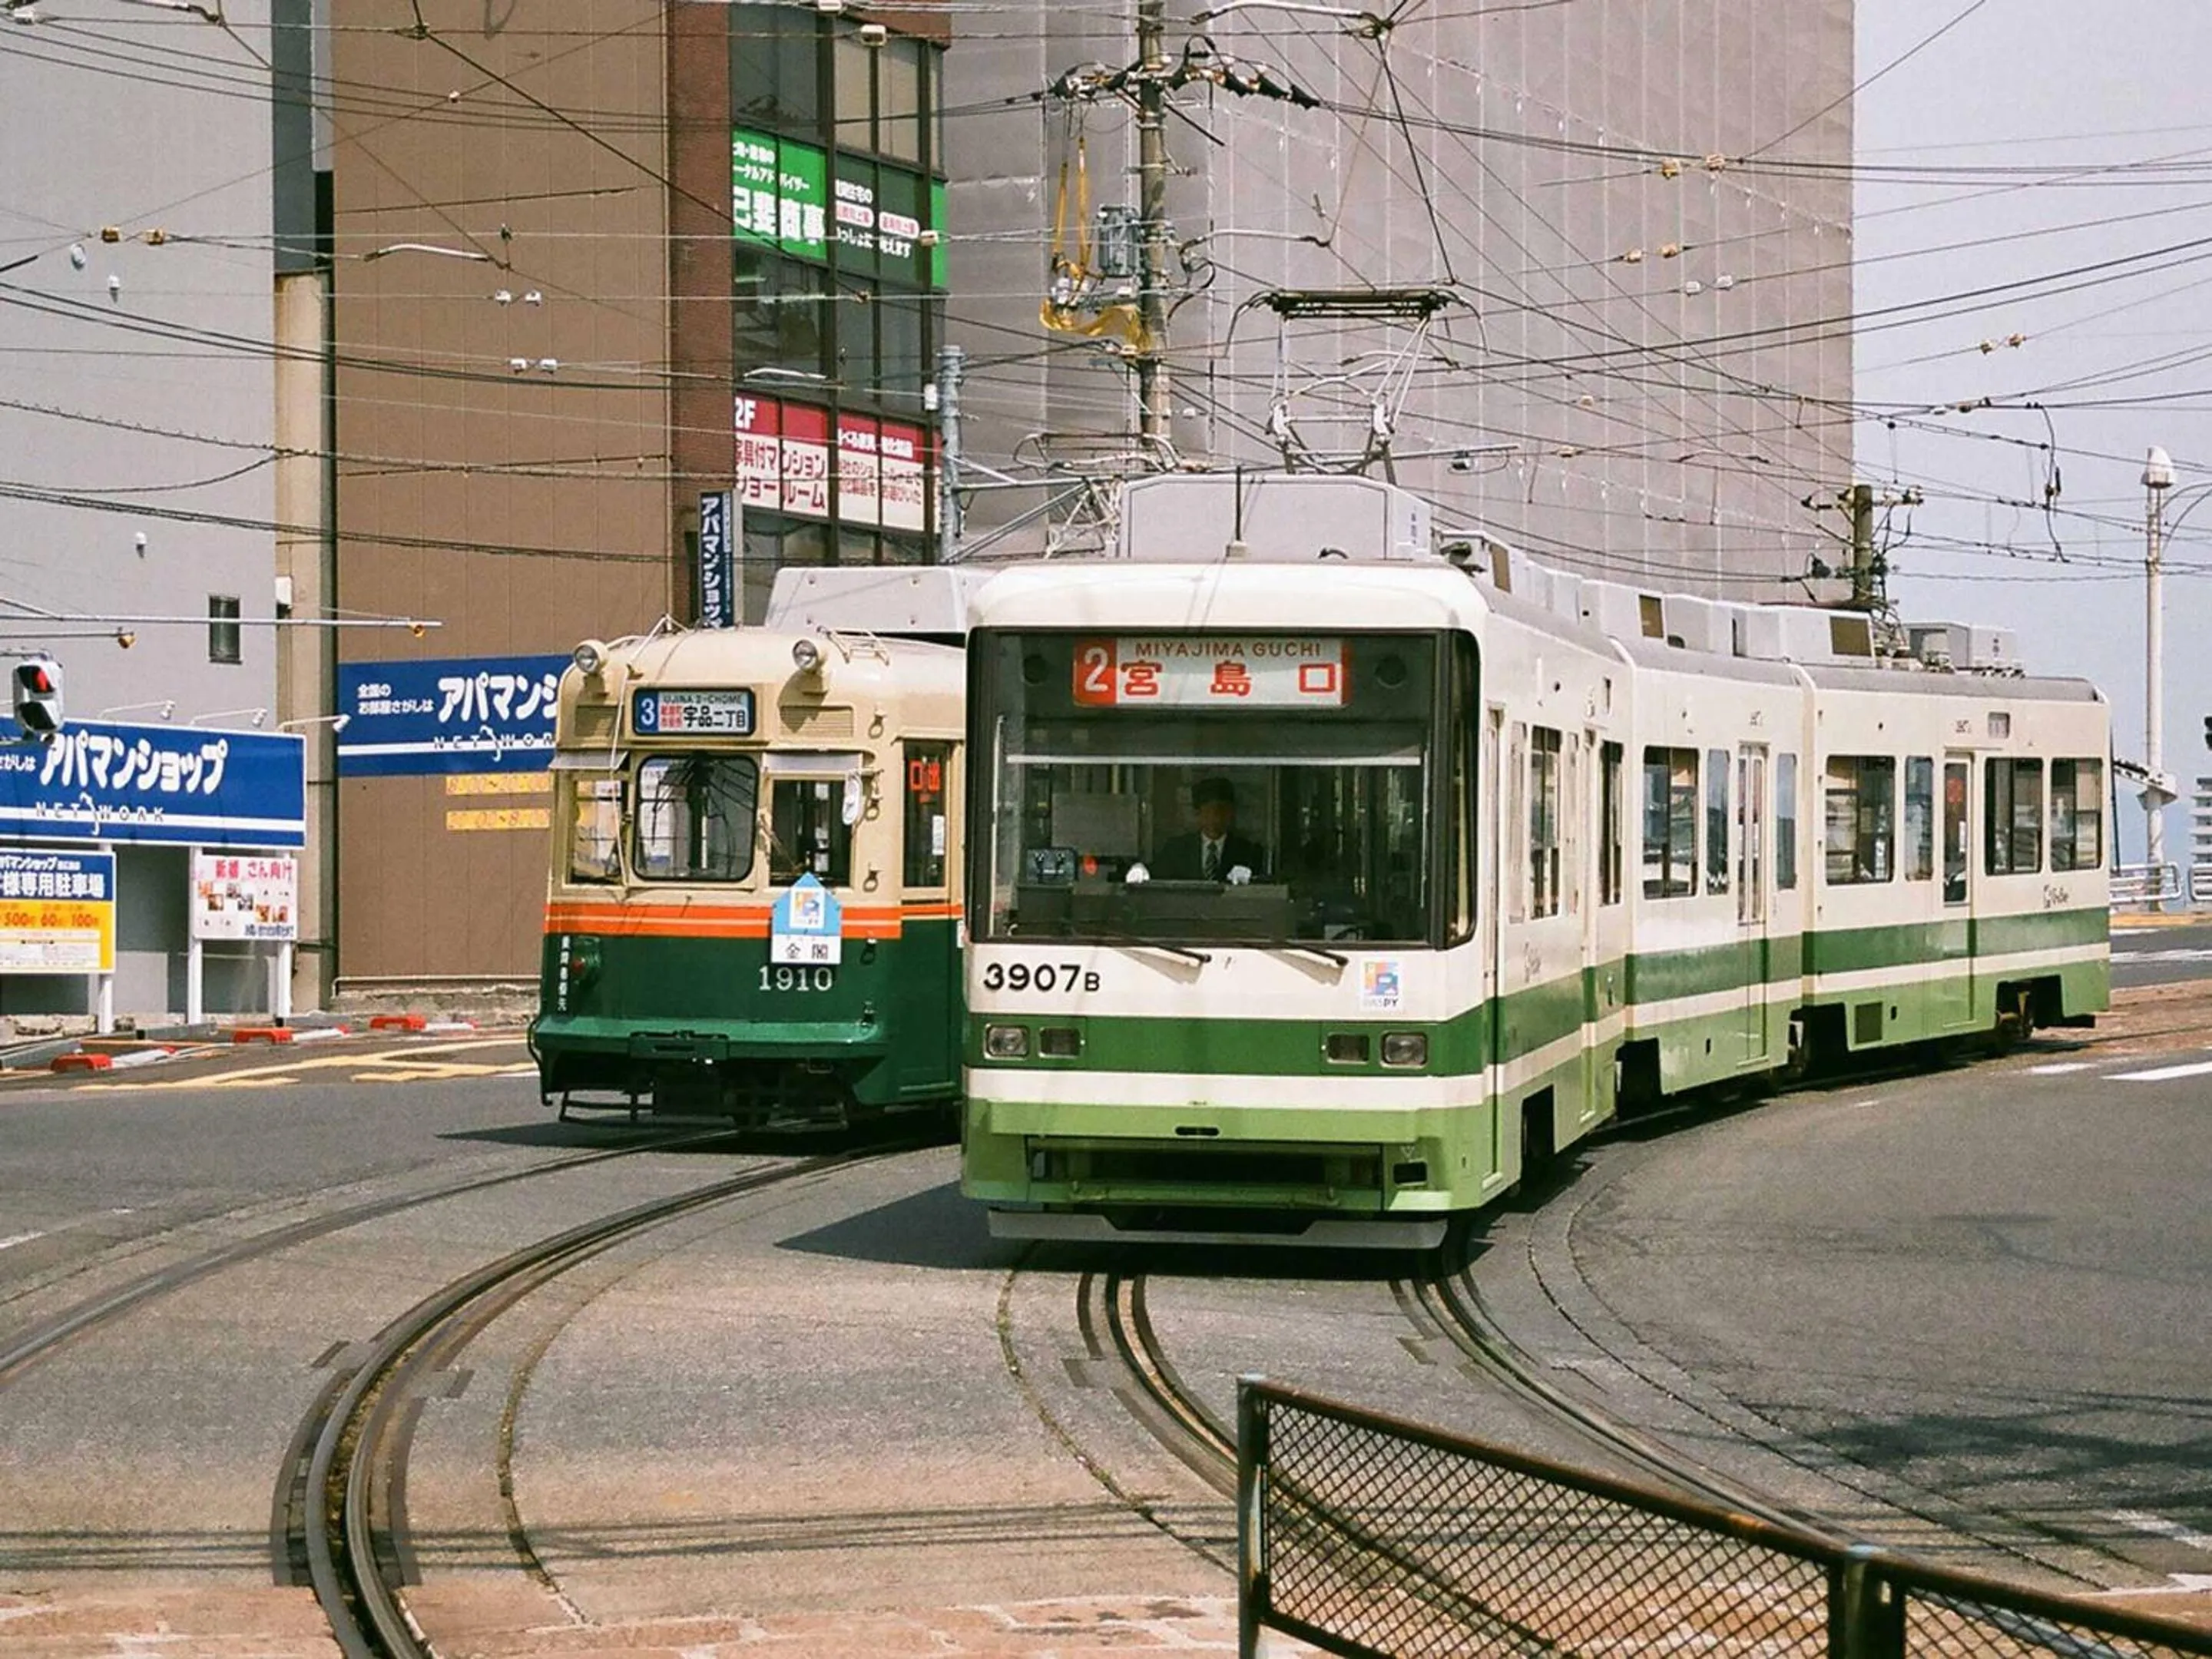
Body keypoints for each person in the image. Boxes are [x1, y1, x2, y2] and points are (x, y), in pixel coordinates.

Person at [1154, 777, 1267, 881]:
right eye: (1208, 812)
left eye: (1221, 811)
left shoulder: (1249, 852)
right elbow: (1155, 875)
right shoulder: (1176, 849)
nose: (1215, 818)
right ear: (1198, 814)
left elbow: (1262, 886)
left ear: (1231, 813)